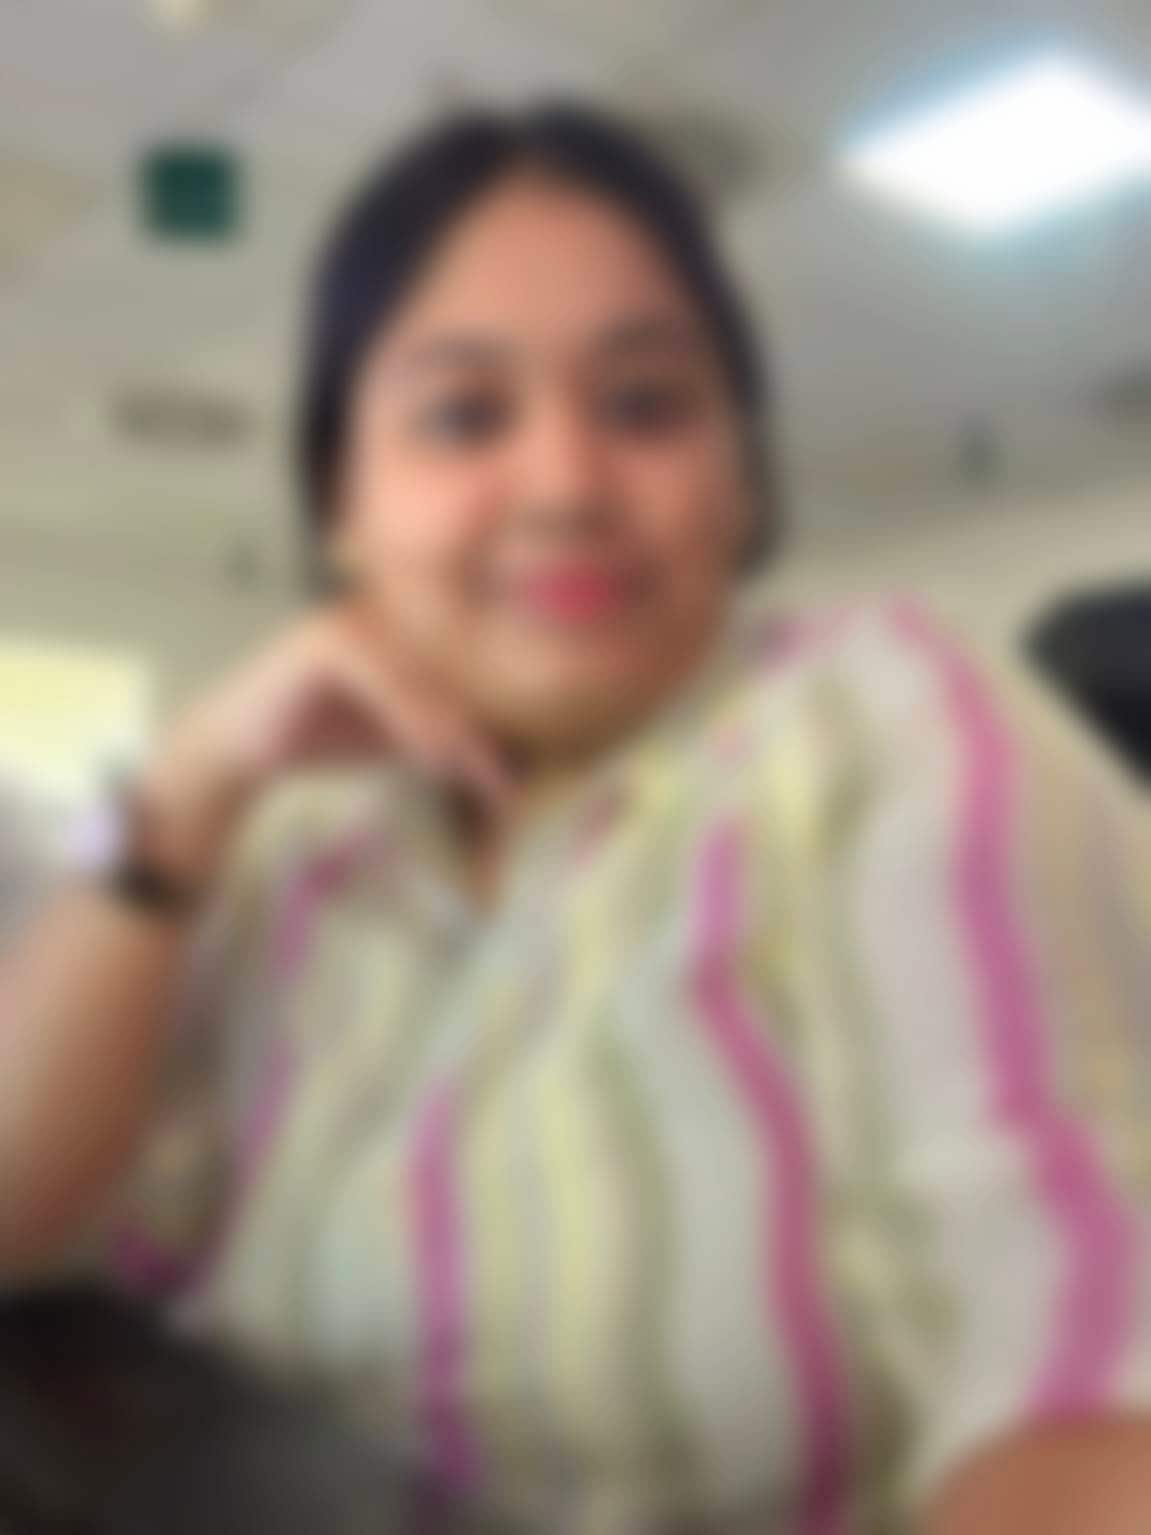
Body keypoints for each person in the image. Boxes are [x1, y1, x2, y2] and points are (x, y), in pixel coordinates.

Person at [2, 103, 1151, 1535]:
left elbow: (1086, 1371)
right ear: (341, 504)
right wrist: (182, 794)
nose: (564, 485)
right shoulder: (299, 828)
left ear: (740, 477)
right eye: (464, 416)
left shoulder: (879, 723)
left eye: (648, 406)